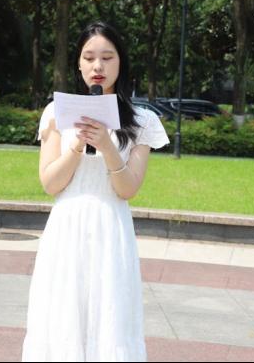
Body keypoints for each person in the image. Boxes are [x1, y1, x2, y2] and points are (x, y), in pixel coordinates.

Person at [22, 21, 170, 362]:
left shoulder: (143, 121)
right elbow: (50, 183)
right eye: (89, 57)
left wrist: (106, 146)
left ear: (121, 62)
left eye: (107, 57)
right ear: (78, 63)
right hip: (67, 228)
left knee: (110, 319)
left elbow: (128, 189)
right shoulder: (56, 112)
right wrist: (76, 146)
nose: (98, 66)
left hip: (111, 229)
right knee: (62, 317)